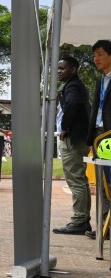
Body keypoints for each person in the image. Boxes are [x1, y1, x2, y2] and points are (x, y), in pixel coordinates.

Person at [51, 56, 92, 234]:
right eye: (58, 69)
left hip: (73, 138)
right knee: (79, 179)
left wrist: (65, 127)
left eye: (62, 68)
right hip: (78, 137)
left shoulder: (73, 86)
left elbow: (73, 105)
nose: (59, 71)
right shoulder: (72, 85)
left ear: (73, 69)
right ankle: (82, 219)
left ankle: (80, 220)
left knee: (76, 180)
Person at [86, 40, 111, 237]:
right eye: (94, 55)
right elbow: (95, 109)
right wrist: (90, 139)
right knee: (102, 182)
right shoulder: (100, 80)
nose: (96, 59)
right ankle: (104, 226)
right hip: (98, 136)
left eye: (100, 54)